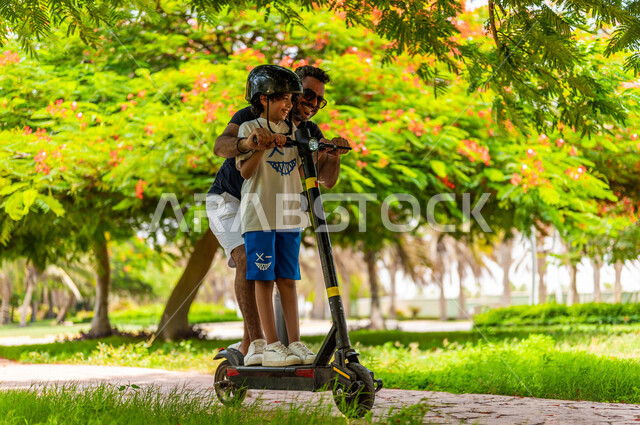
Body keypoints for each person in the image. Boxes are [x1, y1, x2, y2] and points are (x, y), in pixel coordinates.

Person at [206, 65, 349, 362]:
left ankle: (253, 345)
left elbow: (325, 178)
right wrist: (251, 143)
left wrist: (331, 154)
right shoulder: (250, 117)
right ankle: (260, 343)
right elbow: (222, 146)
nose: (311, 103)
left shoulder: (305, 132)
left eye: (318, 100)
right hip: (231, 198)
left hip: (275, 205)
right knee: (248, 257)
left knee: (282, 273)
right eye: (306, 94)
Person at [236, 64, 315, 366]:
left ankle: (294, 343)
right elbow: (245, 171)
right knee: (264, 279)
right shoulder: (248, 129)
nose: (288, 104)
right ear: (262, 99)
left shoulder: (295, 132)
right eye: (281, 98)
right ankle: (271, 345)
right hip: (260, 217)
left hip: (288, 217)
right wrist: (261, 145)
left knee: (288, 280)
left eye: (290, 99)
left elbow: (296, 171)